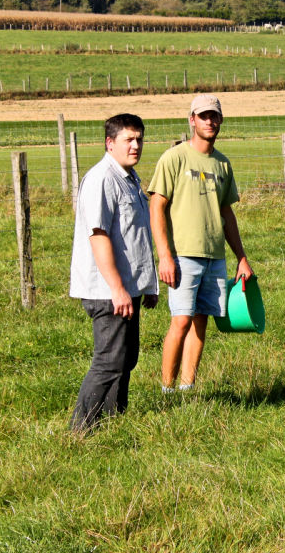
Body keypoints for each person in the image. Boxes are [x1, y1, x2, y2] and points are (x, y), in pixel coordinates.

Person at [148, 93, 253, 392]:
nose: (210, 121)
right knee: (180, 322)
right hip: (183, 255)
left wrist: (241, 257)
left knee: (201, 321)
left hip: (214, 256)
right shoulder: (174, 157)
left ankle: (187, 388)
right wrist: (165, 255)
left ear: (221, 120)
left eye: (214, 116)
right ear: (192, 120)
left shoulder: (222, 164)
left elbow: (226, 213)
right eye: (203, 116)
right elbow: (157, 205)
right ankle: (165, 391)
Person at [70, 113, 158, 432]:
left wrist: (145, 286)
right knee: (108, 362)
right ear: (110, 143)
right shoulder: (102, 179)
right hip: (107, 291)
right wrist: (118, 289)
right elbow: (99, 235)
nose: (136, 146)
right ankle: (79, 431)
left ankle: (112, 423)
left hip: (126, 289)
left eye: (139, 139)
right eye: (128, 140)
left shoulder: (129, 178)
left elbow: (135, 237)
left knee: (125, 359)